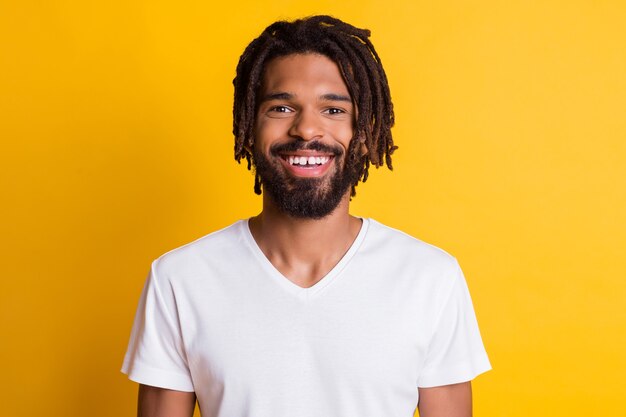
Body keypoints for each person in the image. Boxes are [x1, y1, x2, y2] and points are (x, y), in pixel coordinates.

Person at [122, 15, 491, 417]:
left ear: (364, 133)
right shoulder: (180, 279)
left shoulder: (429, 278)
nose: (307, 129)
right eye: (281, 107)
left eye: (333, 109)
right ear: (248, 127)